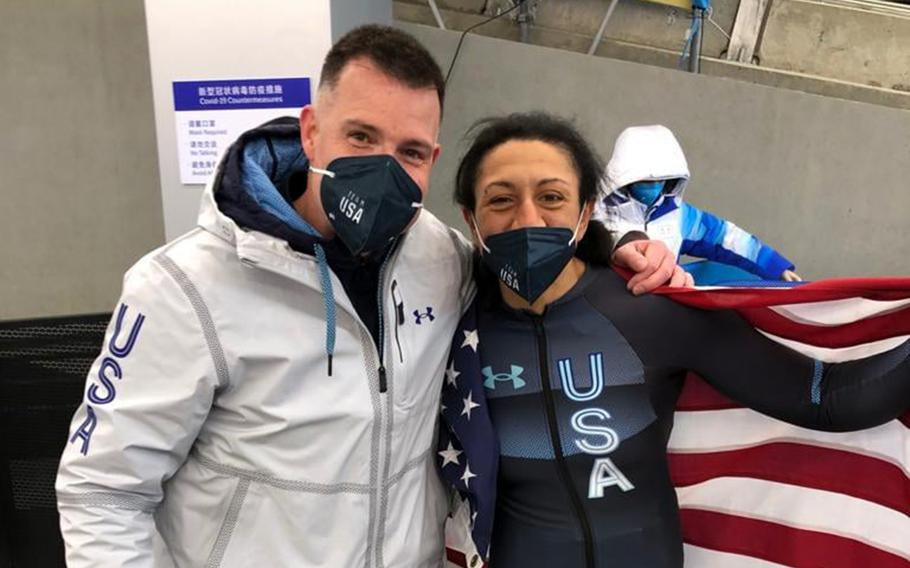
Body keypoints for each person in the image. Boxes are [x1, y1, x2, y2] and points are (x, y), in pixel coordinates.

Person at [55, 26, 684, 567]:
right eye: (360, 136)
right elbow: (103, 491)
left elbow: (531, 264)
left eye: (409, 151)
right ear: (310, 131)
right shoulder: (183, 287)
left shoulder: (442, 259)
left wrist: (614, 246)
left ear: (432, 159)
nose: (384, 166)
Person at [438, 112, 910, 567]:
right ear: (470, 218)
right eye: (501, 200)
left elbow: (825, 398)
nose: (528, 220)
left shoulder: (652, 309)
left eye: (552, 198)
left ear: (585, 216)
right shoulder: (451, 325)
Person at [595, 124, 802, 282]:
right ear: (624, 176)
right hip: (603, 314)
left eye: (661, 180)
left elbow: (727, 238)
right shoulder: (593, 211)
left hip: (658, 312)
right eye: (646, 181)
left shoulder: (680, 217)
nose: (654, 185)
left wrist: (776, 267)